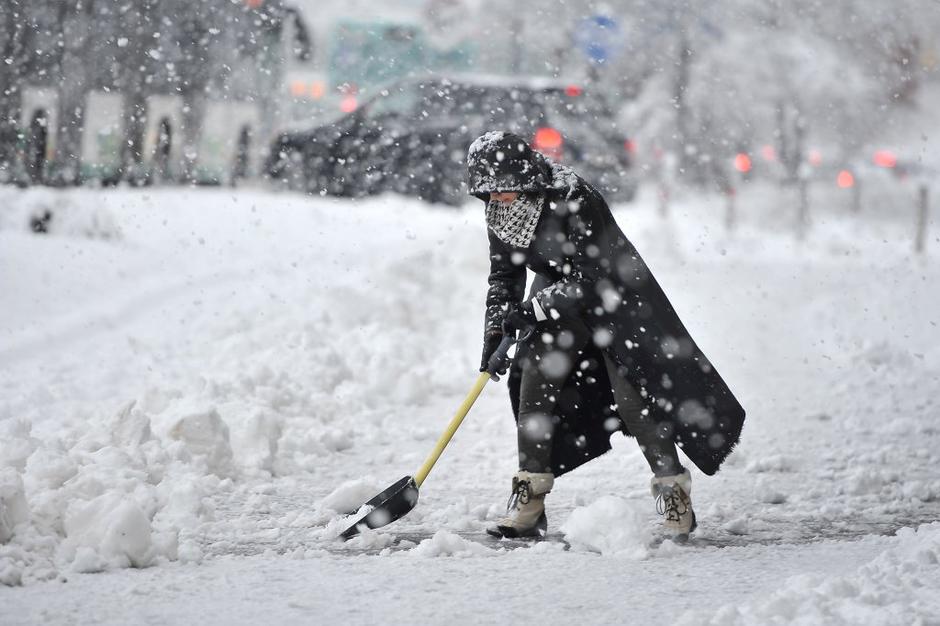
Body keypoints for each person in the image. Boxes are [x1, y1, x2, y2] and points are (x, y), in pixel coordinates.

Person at [467, 131, 746, 540]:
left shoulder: (573, 196)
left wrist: (533, 309)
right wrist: (495, 331)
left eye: (503, 188)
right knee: (535, 391)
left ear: (525, 178)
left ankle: (674, 493)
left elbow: (591, 275)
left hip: (616, 300)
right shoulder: (500, 210)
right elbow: (504, 276)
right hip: (554, 301)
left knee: (635, 402)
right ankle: (530, 500)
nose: (497, 198)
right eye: (488, 192)